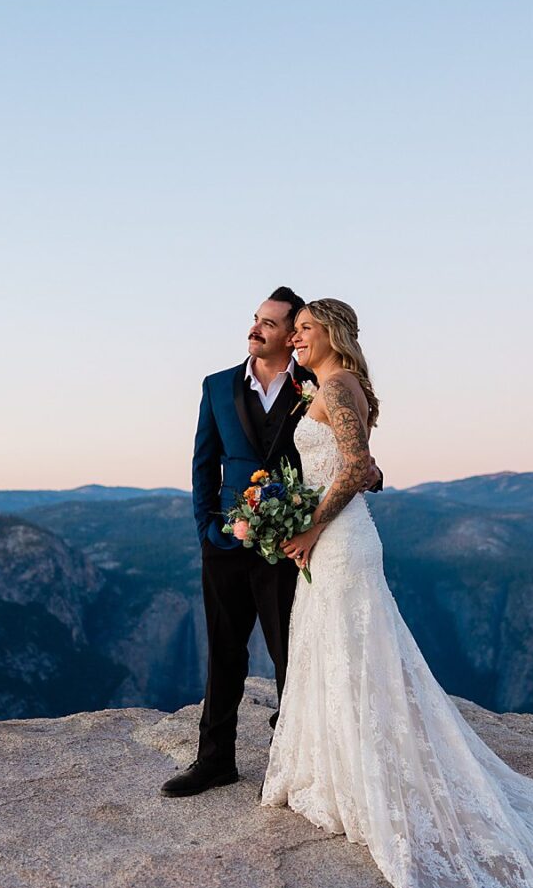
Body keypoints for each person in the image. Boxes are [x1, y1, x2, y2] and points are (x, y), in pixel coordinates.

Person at [263, 298, 533, 888]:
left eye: (304, 328)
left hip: (342, 542)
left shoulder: (336, 383)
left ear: (331, 334)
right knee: (334, 653)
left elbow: (356, 469)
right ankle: (339, 771)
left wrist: (308, 524)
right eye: (293, 329)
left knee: (356, 655)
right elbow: (367, 468)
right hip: (330, 541)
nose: (295, 336)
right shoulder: (327, 385)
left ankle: (367, 780)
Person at [162, 287, 381, 798]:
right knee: (223, 653)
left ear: (290, 335)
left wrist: (367, 473)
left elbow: (351, 456)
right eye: (254, 319)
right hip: (227, 542)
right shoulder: (216, 386)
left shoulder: (316, 382)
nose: (254, 329)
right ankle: (213, 761)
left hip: (291, 546)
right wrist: (206, 532)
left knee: (294, 656)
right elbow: (203, 464)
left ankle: (294, 766)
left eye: (270, 323)